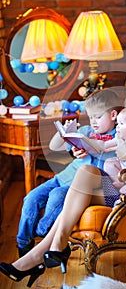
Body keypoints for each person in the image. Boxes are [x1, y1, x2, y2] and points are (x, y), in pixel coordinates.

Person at [0, 66, 126, 287]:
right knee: (85, 172)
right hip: (118, 187)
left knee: (76, 193)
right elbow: (104, 144)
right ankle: (55, 246)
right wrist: (80, 144)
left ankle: (37, 256)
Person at [16, 88, 120, 258]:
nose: (93, 121)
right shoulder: (86, 131)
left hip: (79, 185)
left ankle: (42, 234)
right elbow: (54, 146)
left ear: (113, 115)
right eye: (91, 116)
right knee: (31, 198)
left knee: (57, 197)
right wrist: (63, 133)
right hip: (63, 176)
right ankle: (24, 245)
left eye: (98, 117)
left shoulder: (118, 135)